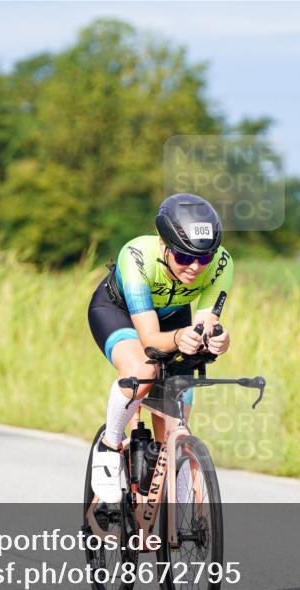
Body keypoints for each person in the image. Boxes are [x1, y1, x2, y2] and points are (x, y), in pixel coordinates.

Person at [87, 193, 233, 502]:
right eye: (183, 258)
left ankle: (171, 495)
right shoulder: (137, 256)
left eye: (204, 258)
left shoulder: (222, 264)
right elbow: (151, 339)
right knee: (142, 370)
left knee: (177, 407)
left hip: (173, 317)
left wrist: (217, 340)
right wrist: (179, 339)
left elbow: (206, 323)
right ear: (164, 245)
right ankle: (109, 446)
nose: (195, 267)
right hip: (119, 312)